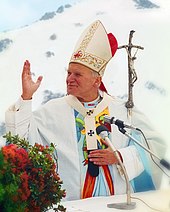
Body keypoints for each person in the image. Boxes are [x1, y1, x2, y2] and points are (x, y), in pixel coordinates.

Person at [5, 20, 166, 201]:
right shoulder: (54, 110)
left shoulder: (121, 109)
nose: (70, 79)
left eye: (78, 74)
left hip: (117, 201)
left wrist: (120, 156)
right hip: (72, 202)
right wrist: (26, 98)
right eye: (68, 73)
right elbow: (21, 142)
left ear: (96, 81)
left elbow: (154, 144)